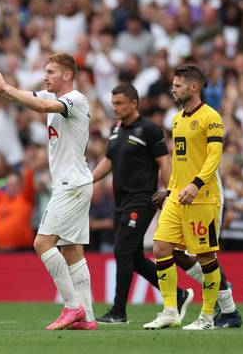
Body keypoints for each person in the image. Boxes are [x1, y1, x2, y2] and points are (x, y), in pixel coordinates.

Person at [0, 53, 96, 330]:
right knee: (73, 250)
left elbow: (40, 106)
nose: (45, 76)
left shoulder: (75, 99)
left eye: (51, 72)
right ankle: (87, 317)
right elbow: (22, 97)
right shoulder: (53, 98)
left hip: (71, 185)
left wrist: (7, 89)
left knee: (42, 243)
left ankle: (71, 306)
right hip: (74, 183)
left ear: (67, 75)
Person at [92, 84, 194, 324]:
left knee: (122, 250)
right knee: (134, 257)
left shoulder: (149, 129)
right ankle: (178, 295)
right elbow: (108, 160)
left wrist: (168, 192)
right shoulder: (115, 129)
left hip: (142, 200)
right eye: (113, 103)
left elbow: (164, 162)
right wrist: (88, 180)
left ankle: (118, 311)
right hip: (121, 202)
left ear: (134, 103)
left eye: (119, 103)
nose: (115, 108)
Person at [143, 64, 227, 330]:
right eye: (173, 85)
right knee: (160, 247)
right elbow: (180, 162)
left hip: (202, 197)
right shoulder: (177, 119)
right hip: (178, 196)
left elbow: (214, 157)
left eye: (178, 85)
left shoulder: (211, 117)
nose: (173, 89)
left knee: (205, 257)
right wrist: (169, 191)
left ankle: (208, 317)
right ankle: (170, 309)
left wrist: (196, 184)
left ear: (194, 87)